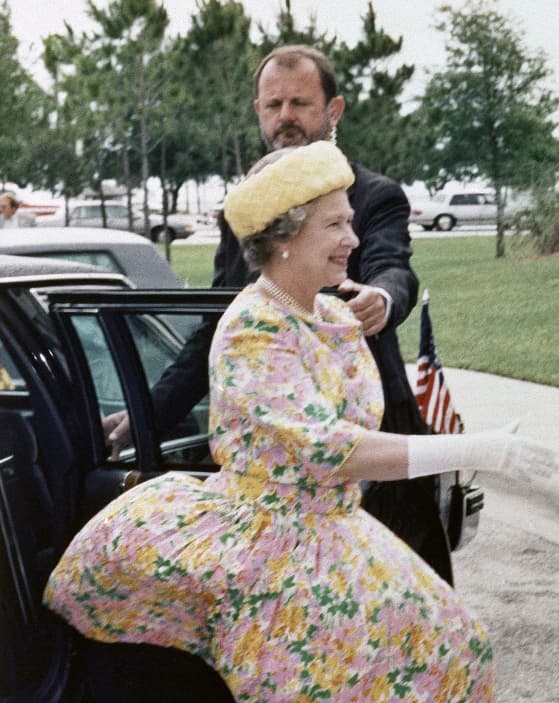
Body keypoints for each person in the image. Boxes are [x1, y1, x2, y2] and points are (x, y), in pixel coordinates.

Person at [44, 141, 557, 703]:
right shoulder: (252, 327)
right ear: (285, 236)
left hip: (331, 530)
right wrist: (477, 449)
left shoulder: (330, 315)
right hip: (271, 552)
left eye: (351, 222)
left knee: (448, 647)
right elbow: (329, 449)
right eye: (336, 225)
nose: (352, 240)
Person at [102, 44, 457, 583]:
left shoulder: (375, 195)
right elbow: (212, 331)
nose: (285, 117)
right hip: (282, 483)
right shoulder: (248, 209)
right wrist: (144, 417)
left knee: (405, 603)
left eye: (300, 103)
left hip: (378, 447)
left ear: (333, 111)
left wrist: (381, 299)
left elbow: (392, 268)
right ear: (258, 112)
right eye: (273, 105)